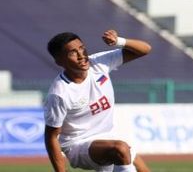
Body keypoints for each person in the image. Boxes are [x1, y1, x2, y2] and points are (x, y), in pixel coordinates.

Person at [44, 30, 151, 172]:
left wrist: (119, 41)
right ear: (59, 61)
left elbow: (145, 49)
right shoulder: (59, 93)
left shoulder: (98, 63)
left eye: (82, 48)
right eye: (73, 52)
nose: (82, 55)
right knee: (121, 149)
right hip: (77, 145)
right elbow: (51, 136)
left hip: (109, 136)